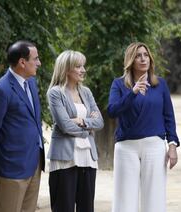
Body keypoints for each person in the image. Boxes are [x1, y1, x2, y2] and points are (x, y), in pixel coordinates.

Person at [108, 42, 179, 212]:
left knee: (154, 198)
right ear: (130, 60)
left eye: (145, 55)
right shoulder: (119, 85)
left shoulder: (160, 84)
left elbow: (169, 116)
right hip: (126, 147)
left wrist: (172, 145)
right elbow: (112, 111)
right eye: (138, 55)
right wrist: (132, 93)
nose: (142, 59)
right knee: (124, 199)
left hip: (154, 145)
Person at [0, 40, 45, 212]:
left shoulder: (31, 82)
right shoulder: (1, 90)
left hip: (34, 164)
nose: (39, 63)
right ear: (22, 62)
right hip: (9, 169)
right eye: (36, 58)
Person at [46, 50, 104, 211]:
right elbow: (65, 125)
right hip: (65, 158)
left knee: (86, 207)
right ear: (66, 69)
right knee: (63, 207)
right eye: (78, 66)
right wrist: (88, 129)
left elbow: (99, 122)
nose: (83, 70)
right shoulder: (55, 93)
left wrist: (83, 121)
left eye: (83, 66)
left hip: (88, 157)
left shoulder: (86, 92)